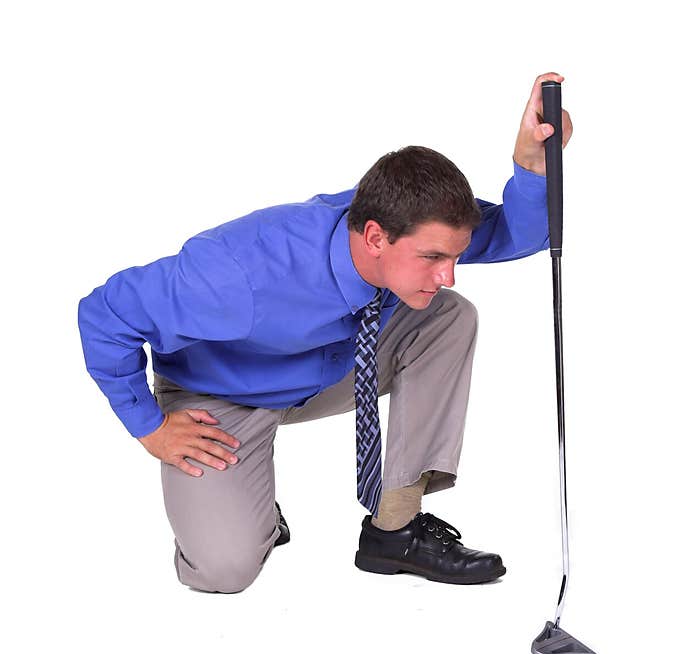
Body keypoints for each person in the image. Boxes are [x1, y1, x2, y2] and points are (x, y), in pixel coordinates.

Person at [77, 72, 573, 594]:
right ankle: (252, 507)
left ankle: (395, 531)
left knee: (449, 315)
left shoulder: (406, 223)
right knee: (224, 570)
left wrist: (533, 168)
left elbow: (517, 236)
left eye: (452, 255)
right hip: (223, 396)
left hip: (329, 365)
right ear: (376, 237)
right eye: (433, 258)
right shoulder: (236, 275)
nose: (448, 272)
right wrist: (149, 426)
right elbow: (104, 315)